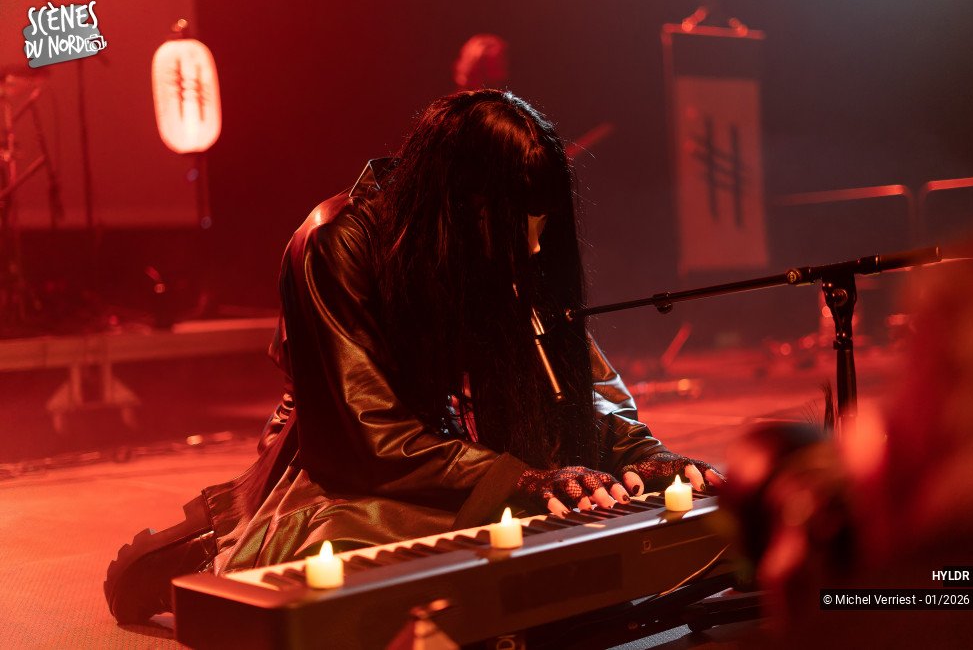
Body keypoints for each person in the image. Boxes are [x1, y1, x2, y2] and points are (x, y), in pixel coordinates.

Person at [104, 89, 724, 625]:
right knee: (367, 553)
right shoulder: (334, 242)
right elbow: (365, 435)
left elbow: (573, 380)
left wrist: (646, 455)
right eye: (515, 226)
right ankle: (208, 549)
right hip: (345, 456)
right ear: (460, 206)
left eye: (542, 227)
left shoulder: (507, 251)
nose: (532, 249)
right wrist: (523, 479)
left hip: (466, 451)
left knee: (533, 536)